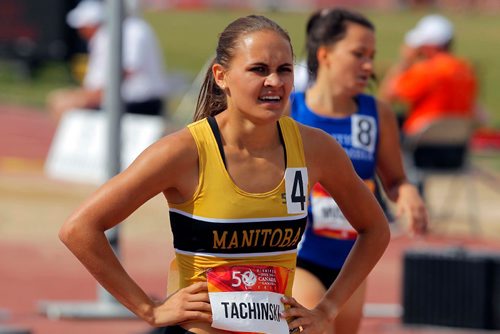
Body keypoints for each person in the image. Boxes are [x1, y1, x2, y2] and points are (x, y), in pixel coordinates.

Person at [58, 14, 390, 334]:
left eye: (284, 70)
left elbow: (374, 228)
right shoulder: (184, 152)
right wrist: (149, 309)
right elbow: (80, 229)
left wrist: (327, 310)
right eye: (258, 70)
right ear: (221, 75)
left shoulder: (315, 148)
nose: (274, 81)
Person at [289, 8, 428, 334]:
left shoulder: (376, 113)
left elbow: (394, 179)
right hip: (299, 255)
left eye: (372, 56)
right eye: (358, 54)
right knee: (312, 328)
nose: (368, 65)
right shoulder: (290, 111)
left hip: (351, 261)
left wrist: (406, 191)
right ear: (325, 54)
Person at [47, 0, 168, 122]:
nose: (80, 31)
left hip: (137, 102)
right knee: (59, 99)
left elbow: (126, 71)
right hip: (115, 96)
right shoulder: (105, 36)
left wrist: (90, 97)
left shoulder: (132, 30)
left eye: (82, 26)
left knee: (65, 104)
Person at [378, 14, 478, 136]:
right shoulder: (465, 69)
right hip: (457, 141)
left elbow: (387, 96)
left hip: (422, 140)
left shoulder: (426, 70)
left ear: (428, 46)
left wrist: (405, 61)